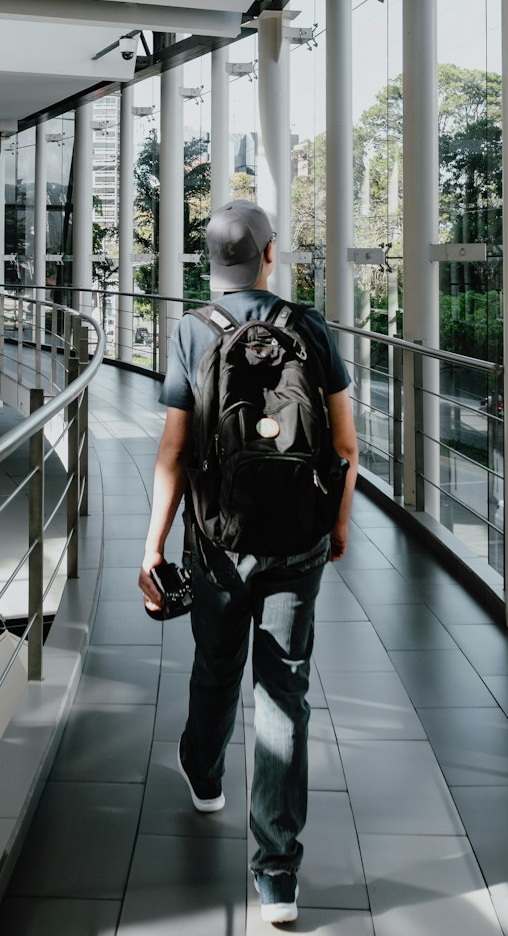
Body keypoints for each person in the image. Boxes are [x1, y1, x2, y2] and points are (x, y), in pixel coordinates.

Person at [138, 199, 359, 926]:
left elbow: (174, 449)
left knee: (217, 660)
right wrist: (339, 523)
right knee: (284, 693)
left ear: (212, 262)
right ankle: (277, 874)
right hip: (298, 540)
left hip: (216, 541)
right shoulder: (310, 327)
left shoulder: (191, 330)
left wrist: (152, 547)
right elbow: (347, 445)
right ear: (270, 256)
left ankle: (204, 772)